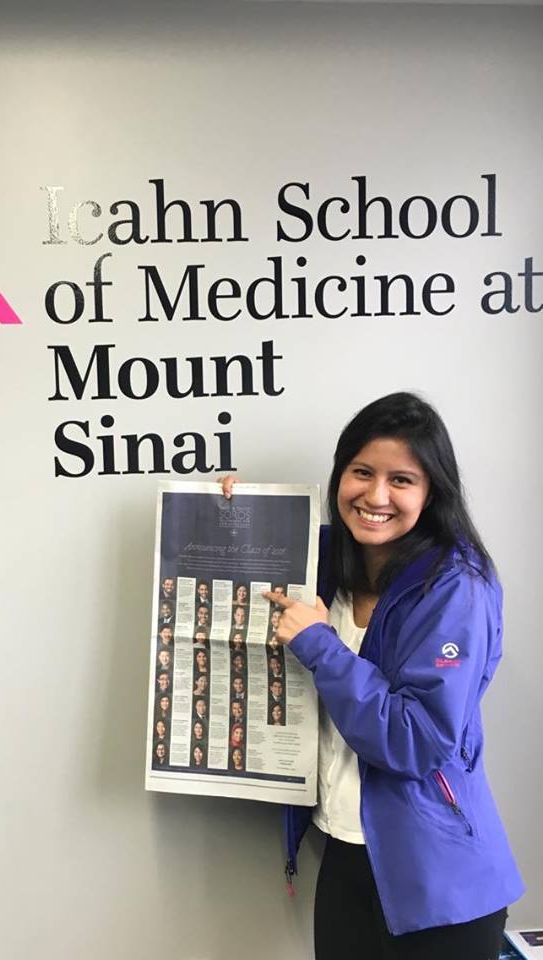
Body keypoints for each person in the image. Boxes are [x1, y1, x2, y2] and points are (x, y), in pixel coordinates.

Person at [221, 392, 523, 960]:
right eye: (362, 472)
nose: (376, 496)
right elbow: (244, 580)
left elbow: (416, 738)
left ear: (432, 491)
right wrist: (234, 518)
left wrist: (321, 646)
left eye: (401, 480)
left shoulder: (457, 587)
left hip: (438, 881)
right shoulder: (334, 558)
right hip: (344, 854)